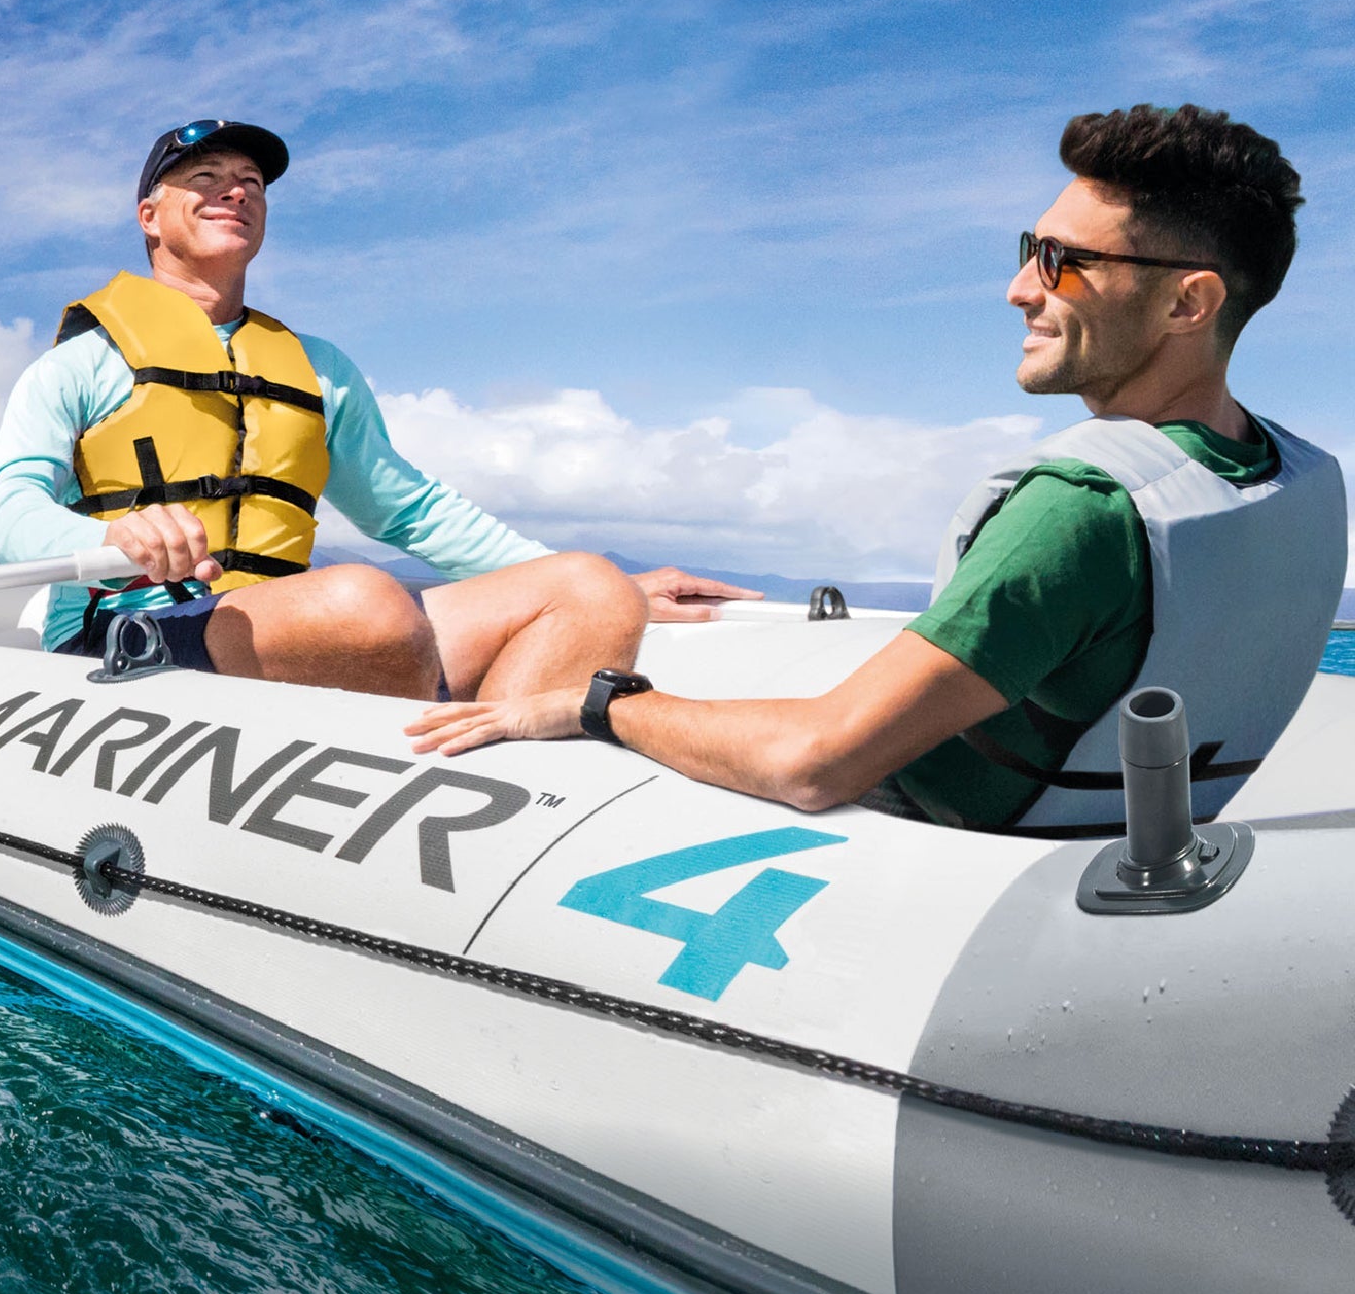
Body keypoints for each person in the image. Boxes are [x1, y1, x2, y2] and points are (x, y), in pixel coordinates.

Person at [408, 104, 1347, 835]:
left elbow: (815, 762)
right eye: (1030, 251)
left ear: (1188, 303)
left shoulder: (1085, 511)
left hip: (926, 854)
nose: (1019, 288)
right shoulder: (1292, 479)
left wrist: (604, 705)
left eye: (1063, 261)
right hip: (1104, 843)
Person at [0, 120, 755, 699]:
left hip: (289, 624)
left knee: (590, 585)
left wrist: (604, 580)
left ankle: (490, 772)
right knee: (365, 601)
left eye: (251, 183)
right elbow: (4, 512)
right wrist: (112, 535)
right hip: (131, 630)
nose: (235, 191)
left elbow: (411, 511)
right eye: (206, 177)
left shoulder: (320, 370)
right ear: (150, 216)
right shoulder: (81, 364)